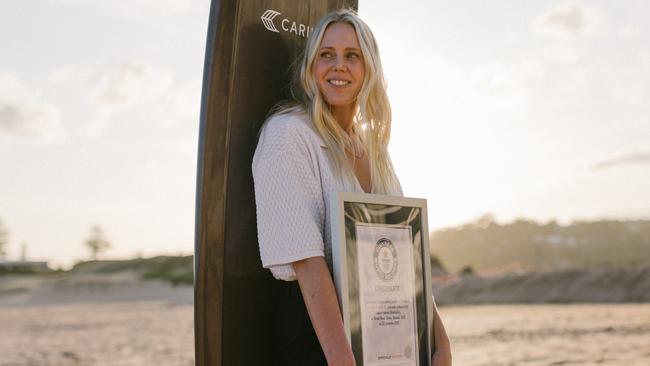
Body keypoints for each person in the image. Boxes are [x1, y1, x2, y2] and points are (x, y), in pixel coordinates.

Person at [252, 8, 452, 366]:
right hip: (318, 332)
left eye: (352, 56)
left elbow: (408, 257)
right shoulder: (289, 134)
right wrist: (340, 356)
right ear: (311, 66)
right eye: (326, 55)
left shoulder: (375, 150)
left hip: (387, 327)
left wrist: (440, 341)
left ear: (368, 69)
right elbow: (306, 258)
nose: (338, 65)